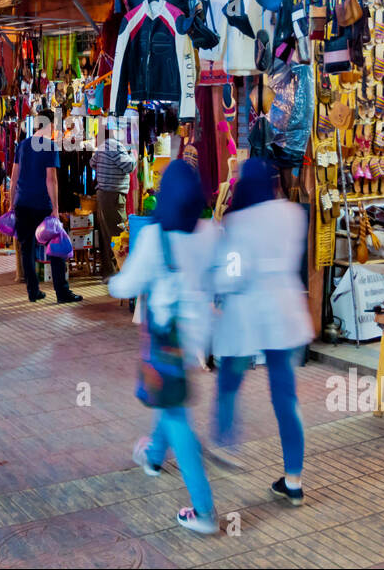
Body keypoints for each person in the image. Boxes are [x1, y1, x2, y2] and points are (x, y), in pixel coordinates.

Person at [108, 159, 219, 534]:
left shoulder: (156, 237)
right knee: (169, 398)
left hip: (165, 342)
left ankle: (204, 513)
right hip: (196, 339)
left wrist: (113, 282)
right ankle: (154, 457)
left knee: (175, 416)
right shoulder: (208, 232)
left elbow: (125, 285)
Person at [208, 157, 312, 506]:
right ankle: (293, 479)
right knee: (285, 397)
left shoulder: (238, 222)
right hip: (285, 314)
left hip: (248, 317)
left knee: (230, 379)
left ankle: (225, 444)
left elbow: (232, 273)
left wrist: (218, 283)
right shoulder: (293, 214)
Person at [10, 108, 82, 303]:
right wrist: (55, 210)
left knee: (27, 250)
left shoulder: (23, 145)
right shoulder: (49, 146)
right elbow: (52, 180)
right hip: (42, 204)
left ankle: (33, 291)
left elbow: (14, 177)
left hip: (22, 203)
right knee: (56, 248)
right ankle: (62, 293)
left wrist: (11, 204)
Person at [90, 119, 136, 280]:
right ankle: (121, 273)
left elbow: (92, 163)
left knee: (106, 234)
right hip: (114, 196)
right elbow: (129, 167)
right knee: (119, 234)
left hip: (103, 195)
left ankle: (109, 271)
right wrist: (133, 155)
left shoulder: (102, 148)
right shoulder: (115, 146)